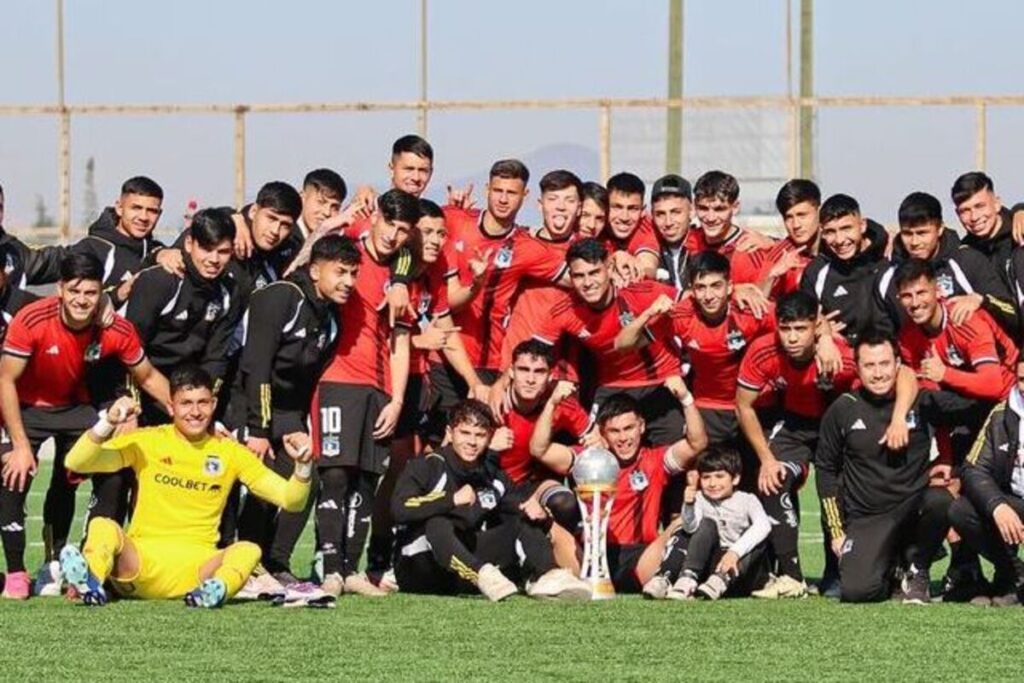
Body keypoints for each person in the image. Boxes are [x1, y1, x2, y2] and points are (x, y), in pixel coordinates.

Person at [58, 366, 313, 607]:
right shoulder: (148, 441)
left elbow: (291, 500)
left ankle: (216, 590)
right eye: (186, 403)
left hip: (198, 572)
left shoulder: (231, 452)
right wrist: (107, 422)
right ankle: (91, 580)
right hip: (140, 566)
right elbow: (76, 462)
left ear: (213, 405)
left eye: (203, 402)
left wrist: (302, 465)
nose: (195, 412)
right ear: (171, 407)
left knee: (249, 549)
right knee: (103, 525)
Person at [0, 253, 170, 600]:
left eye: (90, 293)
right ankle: (18, 571)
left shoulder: (116, 330)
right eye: (74, 291)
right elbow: (5, 381)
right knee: (13, 474)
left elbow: (148, 376)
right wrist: (19, 445)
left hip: (77, 409)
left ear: (100, 295)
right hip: (28, 408)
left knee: (113, 472)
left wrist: (188, 416)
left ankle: (87, 562)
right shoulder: (31, 319)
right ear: (60, 289)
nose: (81, 300)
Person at [736, 290, 916, 598]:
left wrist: (899, 418)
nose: (792, 338)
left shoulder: (843, 357)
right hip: (794, 425)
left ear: (816, 325)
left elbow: (904, 374)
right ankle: (791, 577)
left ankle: (837, 571)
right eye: (785, 328)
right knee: (772, 481)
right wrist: (767, 459)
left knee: (838, 490)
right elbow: (743, 406)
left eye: (800, 329)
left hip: (837, 424)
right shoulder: (762, 351)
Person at [227, 235, 359, 586]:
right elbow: (257, 367)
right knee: (263, 479)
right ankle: (247, 560)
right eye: (341, 272)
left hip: (285, 412)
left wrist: (295, 425)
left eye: (354, 273)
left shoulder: (332, 316)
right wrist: (257, 429)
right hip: (247, 405)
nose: (349, 281)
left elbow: (305, 380)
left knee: (305, 476)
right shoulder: (281, 296)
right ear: (315, 270)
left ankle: (276, 561)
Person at [893, 257, 1018, 600]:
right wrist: (945, 455)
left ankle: (998, 573)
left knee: (984, 494)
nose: (915, 302)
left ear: (937, 291)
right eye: (907, 296)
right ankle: (969, 570)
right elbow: (935, 405)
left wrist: (945, 374)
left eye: (921, 292)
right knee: (952, 494)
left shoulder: (966, 320)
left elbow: (995, 385)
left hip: (1006, 415)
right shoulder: (908, 337)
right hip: (963, 419)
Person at [313, 189, 416, 597]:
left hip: (380, 388)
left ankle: (352, 570)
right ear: (374, 219)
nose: (393, 234)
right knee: (335, 475)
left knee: (366, 483)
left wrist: (397, 399)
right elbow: (309, 268)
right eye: (389, 223)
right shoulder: (347, 256)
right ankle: (330, 569)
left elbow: (400, 343)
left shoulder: (404, 282)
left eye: (402, 229)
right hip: (337, 381)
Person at [816, 334, 971, 603]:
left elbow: (976, 409)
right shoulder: (843, 409)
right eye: (870, 366)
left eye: (885, 364)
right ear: (858, 368)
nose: (878, 373)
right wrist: (837, 530)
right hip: (867, 517)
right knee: (858, 591)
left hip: (913, 507)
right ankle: (893, 564)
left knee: (942, 501)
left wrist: (951, 465)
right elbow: (826, 469)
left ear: (898, 364)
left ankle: (916, 566)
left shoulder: (922, 401)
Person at [391, 399, 591, 601]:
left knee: (524, 520)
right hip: (418, 566)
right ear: (450, 434)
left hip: (460, 570)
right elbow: (399, 508)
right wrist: (451, 499)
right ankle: (482, 575)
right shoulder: (427, 466)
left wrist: (539, 513)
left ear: (489, 438)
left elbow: (520, 507)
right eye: (465, 433)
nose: (472, 442)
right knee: (439, 523)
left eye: (480, 435)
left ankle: (545, 576)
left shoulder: (493, 476)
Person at [532, 387, 707, 593]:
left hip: (640, 560)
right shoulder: (590, 460)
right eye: (615, 431)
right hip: (590, 556)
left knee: (683, 522)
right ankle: (540, 575)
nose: (623, 438)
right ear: (602, 433)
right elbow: (539, 449)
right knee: (545, 522)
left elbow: (697, 443)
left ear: (641, 426)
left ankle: (669, 580)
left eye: (629, 428)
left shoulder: (656, 460)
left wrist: (686, 399)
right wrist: (552, 404)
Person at [617, 250, 777, 449]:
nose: (708, 296)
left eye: (716, 286)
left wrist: (823, 341)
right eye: (701, 288)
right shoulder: (681, 315)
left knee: (763, 476)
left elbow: (802, 324)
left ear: (730, 287)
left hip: (754, 406)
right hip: (708, 407)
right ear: (692, 290)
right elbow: (622, 345)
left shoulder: (750, 309)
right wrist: (648, 313)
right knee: (703, 477)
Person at [533, 238, 685, 445]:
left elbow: (697, 300)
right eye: (579, 276)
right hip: (612, 387)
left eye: (594, 273)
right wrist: (501, 384)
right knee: (594, 448)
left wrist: (739, 290)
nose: (587, 283)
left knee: (678, 453)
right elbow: (532, 353)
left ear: (609, 268)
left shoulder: (642, 292)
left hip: (660, 383)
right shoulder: (565, 310)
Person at [124, 208, 240, 424]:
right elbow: (128, 348)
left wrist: (203, 408)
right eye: (206, 249)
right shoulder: (160, 281)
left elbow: (215, 359)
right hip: (138, 383)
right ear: (189, 244)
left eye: (223, 251)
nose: (214, 259)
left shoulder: (231, 291)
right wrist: (130, 404)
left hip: (185, 393)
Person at [879, 191, 1016, 334]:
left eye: (922, 233)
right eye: (907, 234)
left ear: (939, 229)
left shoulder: (968, 261)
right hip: (917, 354)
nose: (914, 242)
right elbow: (881, 332)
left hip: (976, 352)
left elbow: (1012, 313)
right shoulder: (888, 276)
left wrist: (982, 301)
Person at [642, 448, 770, 601]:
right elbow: (691, 527)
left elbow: (764, 526)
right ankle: (673, 578)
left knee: (759, 541)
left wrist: (735, 552)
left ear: (735, 479)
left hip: (738, 569)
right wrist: (689, 505)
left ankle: (721, 579)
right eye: (706, 477)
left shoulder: (748, 500)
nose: (712, 483)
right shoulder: (700, 498)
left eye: (719, 476)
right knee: (690, 529)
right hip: (711, 565)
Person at [949, 360, 1024, 606]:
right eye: (1022, 380)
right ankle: (1014, 574)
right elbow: (973, 468)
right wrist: (997, 506)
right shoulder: (1001, 415)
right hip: (1015, 503)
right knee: (961, 510)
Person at [800, 193, 891, 344]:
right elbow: (803, 323)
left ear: (862, 226)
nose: (840, 240)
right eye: (831, 232)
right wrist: (821, 333)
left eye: (846, 228)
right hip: (838, 360)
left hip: (883, 360)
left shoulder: (889, 258)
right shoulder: (816, 273)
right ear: (822, 233)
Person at [731, 179, 821, 298]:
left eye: (802, 215)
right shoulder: (778, 256)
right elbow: (761, 302)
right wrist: (772, 277)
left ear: (819, 211)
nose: (796, 225)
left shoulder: (838, 243)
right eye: (789, 217)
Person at [648, 174, 693, 292]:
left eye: (676, 212)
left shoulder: (705, 245)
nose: (668, 222)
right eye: (660, 214)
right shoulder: (648, 246)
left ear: (691, 211)